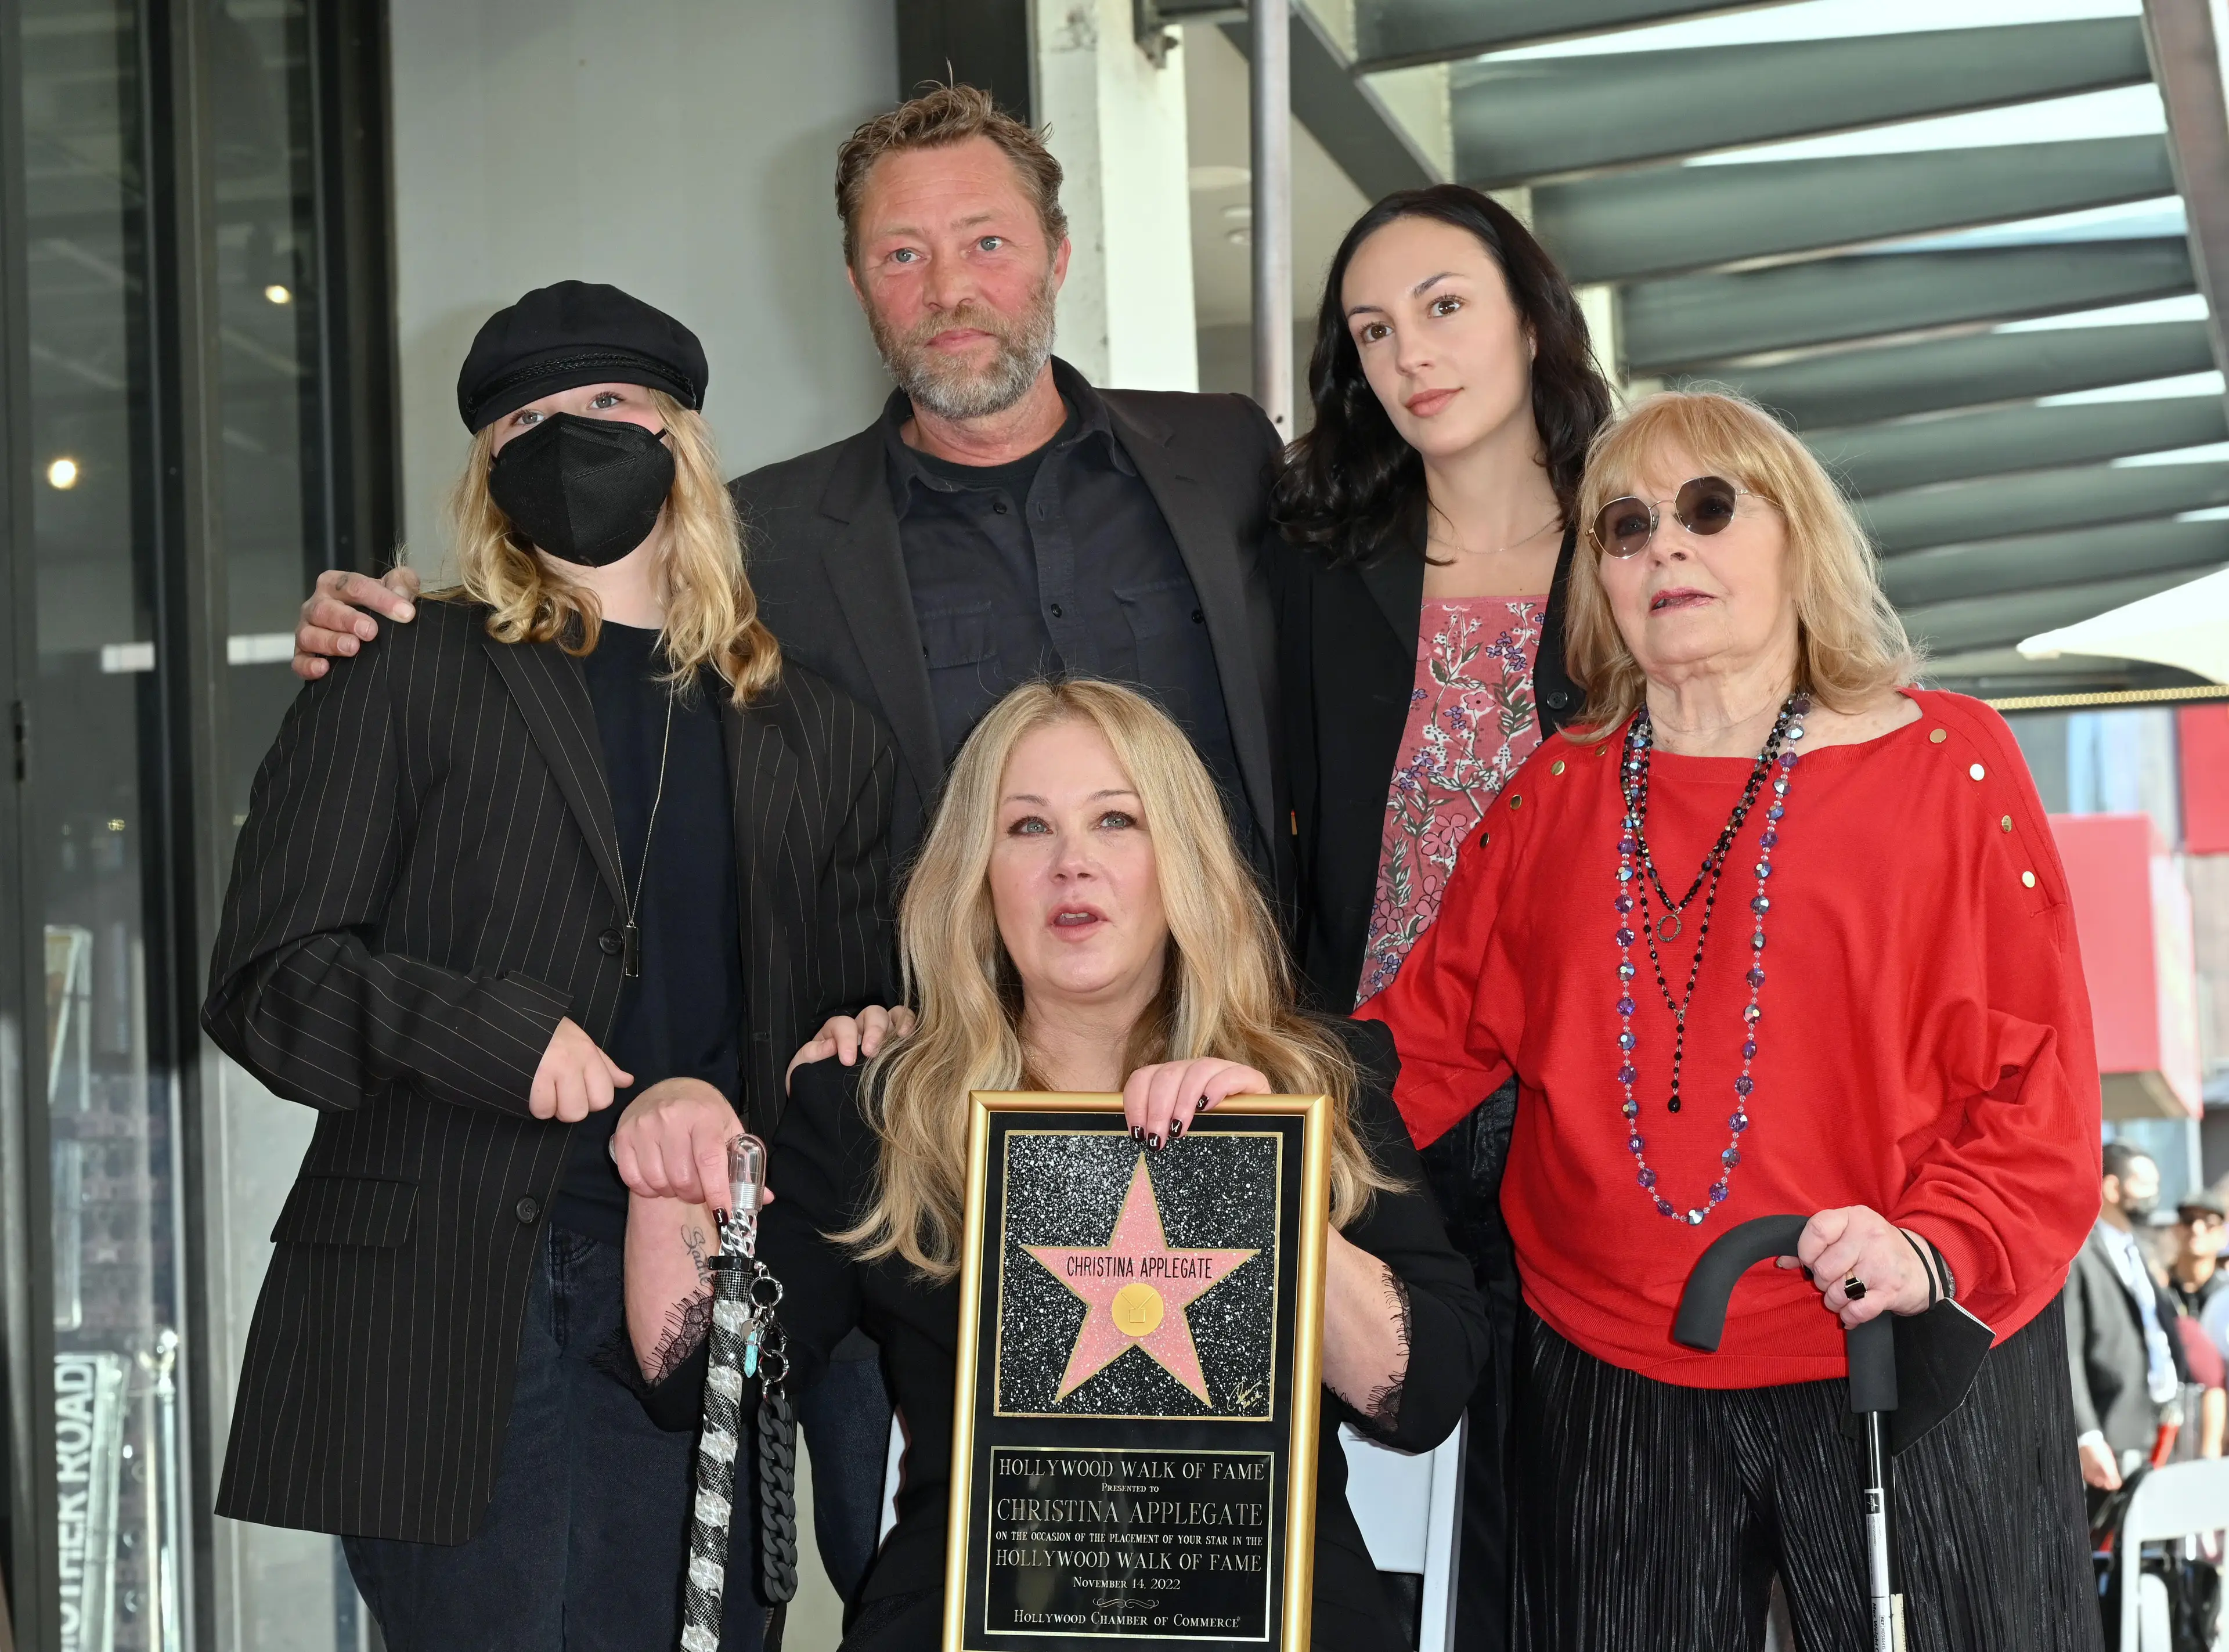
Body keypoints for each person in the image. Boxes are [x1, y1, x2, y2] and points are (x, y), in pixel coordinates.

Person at [284, 84, 1295, 1582]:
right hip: (899, 1161)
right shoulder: (765, 546)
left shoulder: (1224, 465)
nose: (948, 287)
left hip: (1207, 1104)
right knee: (941, 1564)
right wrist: (369, 620)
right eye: (902, 254)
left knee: (1208, 1562)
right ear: (857, 283)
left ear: (1058, 252)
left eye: (985, 241)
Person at [1315, 388, 2101, 1648]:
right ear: (1600, 580)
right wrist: (1256, 1118)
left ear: (1799, 536)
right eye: (1625, 526)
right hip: (1609, 1374)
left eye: (1709, 507)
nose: (1665, 545)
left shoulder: (1950, 762)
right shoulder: (1554, 792)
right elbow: (1422, 1045)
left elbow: (2040, 1087)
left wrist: (1935, 1247)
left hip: (1893, 1349)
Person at [201, 282, 895, 1652]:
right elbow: (267, 980)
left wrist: (874, 1037)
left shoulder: (817, 733)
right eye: (523, 419)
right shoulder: (401, 670)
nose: (567, 435)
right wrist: (495, 1034)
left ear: (678, 438)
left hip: (700, 1286)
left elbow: (857, 1021)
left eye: (607, 402)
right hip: (450, 1304)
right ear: (487, 467)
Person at [619, 679, 1488, 1652]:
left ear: (1182, 859)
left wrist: (1262, 1179)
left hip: (1275, 1614)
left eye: (1117, 819)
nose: (1072, 862)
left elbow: (1424, 1393)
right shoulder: (880, 1109)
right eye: (1027, 827)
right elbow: (704, 1385)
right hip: (965, 1615)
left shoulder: (1314, 1082)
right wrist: (667, 1163)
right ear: (977, 876)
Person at [1267, 182, 1612, 1647]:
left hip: (1590, 1095)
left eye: (1444, 306)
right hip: (1383, 1094)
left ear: (1531, 319)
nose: (1409, 351)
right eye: (1371, 329)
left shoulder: (1638, 544)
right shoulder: (1316, 558)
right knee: (1409, 1501)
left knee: (1593, 1503)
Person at [2067, 1144, 2193, 1497]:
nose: (2154, 1194)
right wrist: (2087, 1435)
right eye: (2143, 1183)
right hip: (2112, 1435)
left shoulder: (2139, 1250)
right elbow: (2068, 1351)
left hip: (2161, 1428)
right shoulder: (2081, 1252)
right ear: (2112, 1188)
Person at [2160, 1191, 2227, 1459]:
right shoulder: (2156, 1292)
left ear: (2222, 1234)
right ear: (2176, 1229)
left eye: (2208, 1222)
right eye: (2189, 1220)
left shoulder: (2226, 1297)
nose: (2197, 1229)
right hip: (2167, 1430)